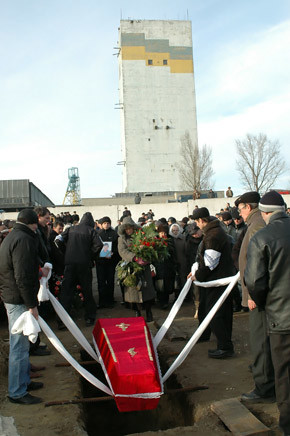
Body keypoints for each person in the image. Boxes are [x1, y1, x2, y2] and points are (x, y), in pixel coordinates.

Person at [244, 191, 289, 434]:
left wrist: (262, 303)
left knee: (284, 375)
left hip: (282, 320)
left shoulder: (262, 237)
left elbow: (254, 281)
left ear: (264, 213)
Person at [0, 209, 49, 404]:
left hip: (12, 294)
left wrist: (38, 274)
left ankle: (24, 381)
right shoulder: (24, 239)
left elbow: (18, 269)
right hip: (18, 299)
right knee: (19, 346)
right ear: (33, 223)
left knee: (21, 344)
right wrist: (31, 305)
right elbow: (22, 275)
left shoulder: (13, 236)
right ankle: (17, 392)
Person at [235, 191, 275, 402]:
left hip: (257, 294)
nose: (239, 214)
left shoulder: (257, 224)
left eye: (240, 209)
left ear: (248, 207)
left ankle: (264, 386)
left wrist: (251, 293)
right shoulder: (257, 222)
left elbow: (258, 262)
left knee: (260, 338)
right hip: (258, 292)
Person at [189, 207, 235, 358]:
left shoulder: (213, 236)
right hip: (221, 279)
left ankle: (224, 347)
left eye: (197, 221)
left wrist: (198, 275)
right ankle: (225, 344)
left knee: (215, 313)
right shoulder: (216, 232)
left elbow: (210, 264)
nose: (197, 225)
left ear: (202, 220)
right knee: (224, 313)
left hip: (217, 281)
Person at [56, 212, 102, 327]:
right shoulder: (91, 231)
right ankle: (89, 317)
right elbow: (99, 245)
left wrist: (66, 252)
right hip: (84, 265)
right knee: (87, 290)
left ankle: (62, 320)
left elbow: (58, 240)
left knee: (66, 292)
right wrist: (90, 256)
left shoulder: (71, 229)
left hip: (70, 264)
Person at [118, 216, 155, 322]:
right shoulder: (121, 239)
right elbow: (122, 251)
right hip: (130, 268)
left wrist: (146, 256)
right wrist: (134, 257)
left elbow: (149, 247)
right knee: (133, 291)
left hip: (144, 267)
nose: (129, 230)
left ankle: (148, 311)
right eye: (127, 229)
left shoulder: (141, 236)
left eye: (130, 228)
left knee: (146, 289)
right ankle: (137, 311)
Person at [95, 216, 120, 308]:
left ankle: (110, 300)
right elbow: (94, 247)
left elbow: (118, 247)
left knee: (110, 281)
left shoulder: (114, 234)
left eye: (108, 223)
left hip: (111, 262)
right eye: (104, 223)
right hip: (100, 262)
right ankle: (102, 301)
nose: (106, 225)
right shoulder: (97, 234)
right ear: (101, 225)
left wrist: (113, 253)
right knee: (101, 281)